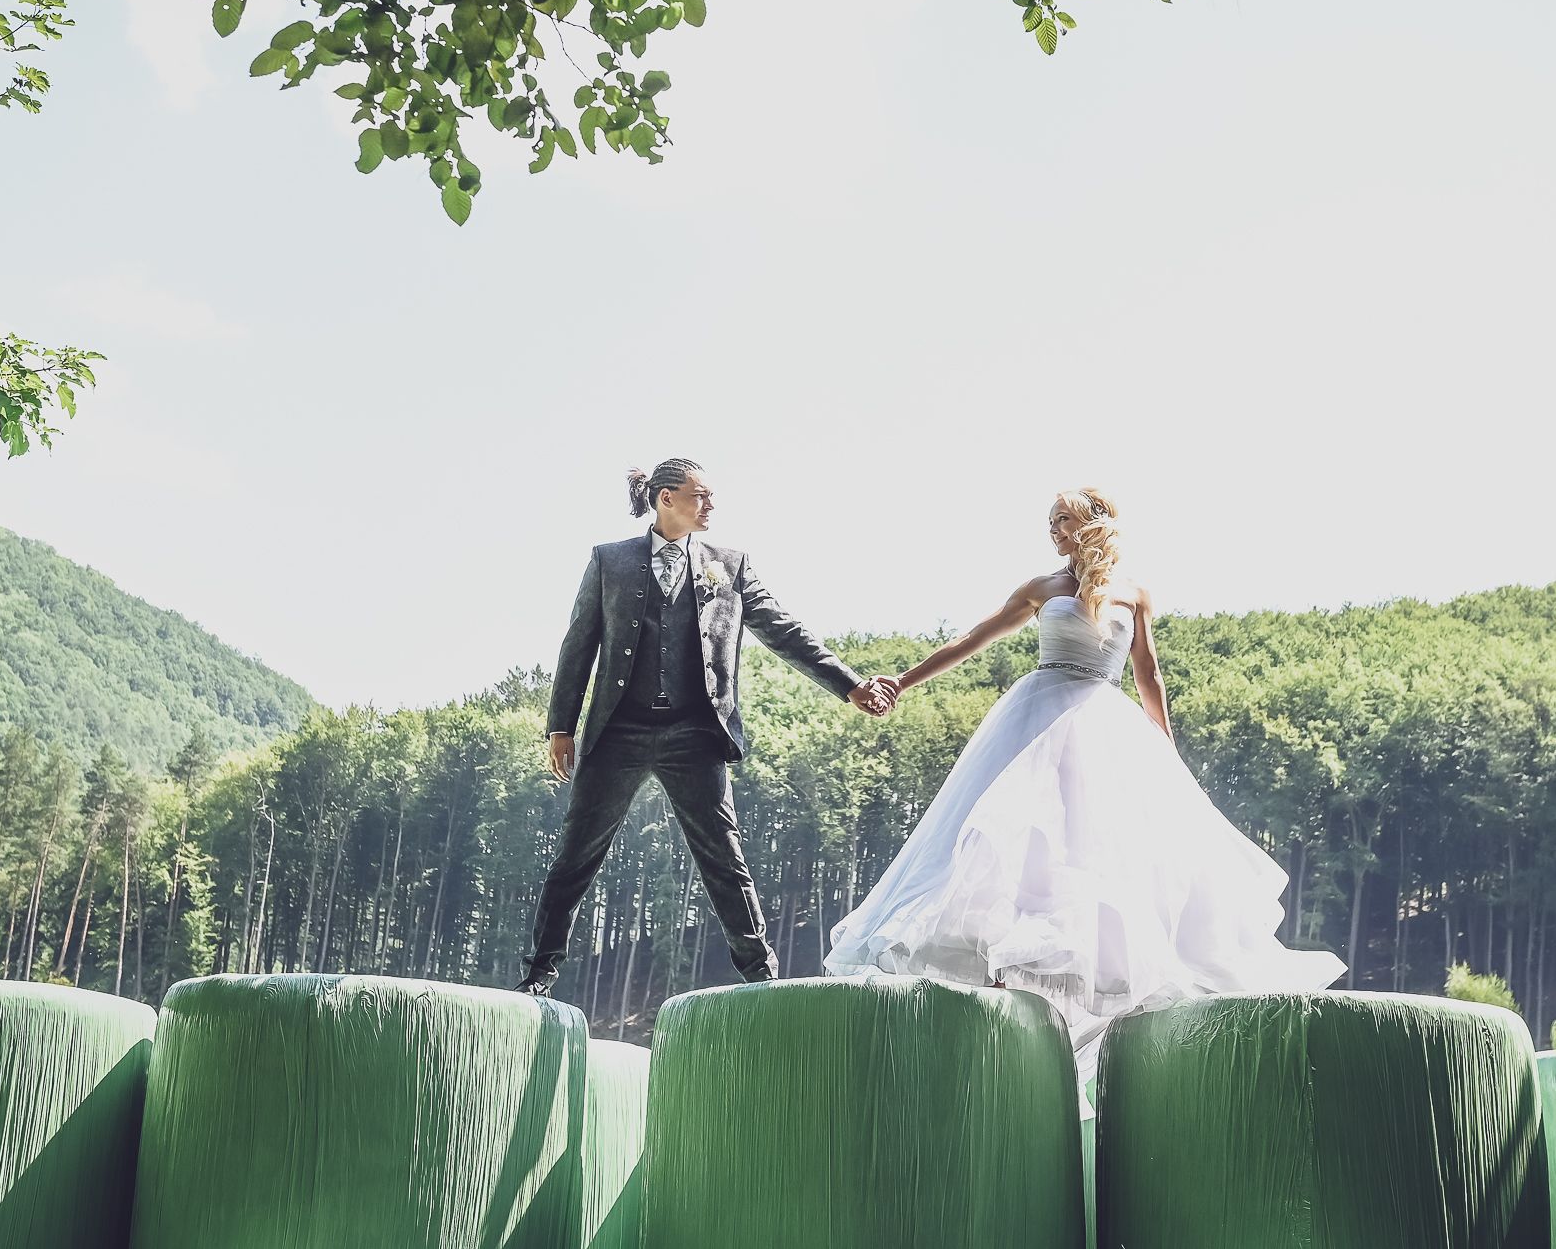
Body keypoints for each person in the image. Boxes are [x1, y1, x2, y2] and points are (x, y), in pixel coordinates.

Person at [824, 486, 1343, 1082]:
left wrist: (1165, 744)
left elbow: (1147, 672)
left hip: (1106, 720)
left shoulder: (1135, 593)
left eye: (1063, 519)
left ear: (1093, 523)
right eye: (1049, 521)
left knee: (1106, 861)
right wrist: (901, 681)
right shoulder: (1041, 588)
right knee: (1014, 847)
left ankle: (1106, 1015)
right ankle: (1001, 996)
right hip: (1036, 717)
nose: (1053, 529)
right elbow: (971, 640)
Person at [517, 458, 895, 997]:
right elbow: (578, 644)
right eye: (701, 495)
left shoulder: (730, 564)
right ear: (666, 498)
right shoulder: (609, 560)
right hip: (617, 732)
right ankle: (538, 976)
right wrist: (561, 727)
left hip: (695, 733)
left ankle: (762, 978)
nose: (711, 504)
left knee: (724, 857)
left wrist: (850, 684)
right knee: (575, 857)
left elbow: (783, 630)